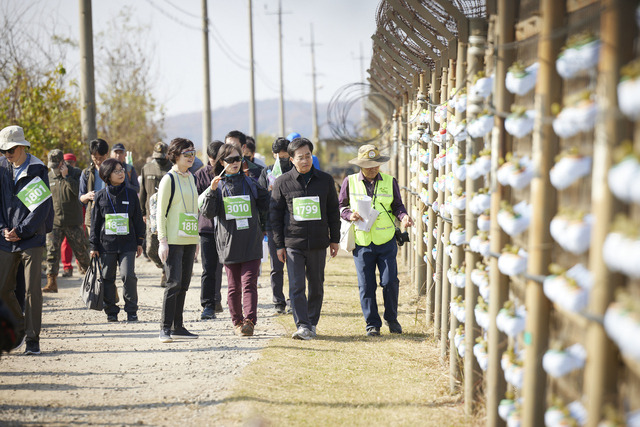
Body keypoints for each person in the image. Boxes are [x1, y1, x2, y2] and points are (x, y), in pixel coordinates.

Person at [338, 144, 414, 336]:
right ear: (361, 165)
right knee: (366, 285)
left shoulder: (390, 181)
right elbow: (340, 207)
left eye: (376, 164)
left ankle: (392, 318)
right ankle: (372, 324)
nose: (373, 168)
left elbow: (398, 205)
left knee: (390, 282)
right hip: (362, 241)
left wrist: (404, 216)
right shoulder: (350, 181)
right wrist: (349, 215)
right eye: (369, 165)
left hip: (386, 239)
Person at [270, 137, 340, 340]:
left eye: (308, 156)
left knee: (316, 285)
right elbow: (275, 215)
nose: (305, 161)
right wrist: (279, 245)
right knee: (296, 285)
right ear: (291, 159)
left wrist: (334, 239)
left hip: (318, 243)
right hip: (293, 243)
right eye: (300, 157)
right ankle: (302, 325)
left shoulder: (325, 180)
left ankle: (312, 322)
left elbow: (333, 212)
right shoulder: (282, 182)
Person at [200, 144, 269, 336]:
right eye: (230, 160)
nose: (235, 163)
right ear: (222, 162)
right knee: (233, 287)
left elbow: (267, 204)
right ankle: (237, 321)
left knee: (249, 284)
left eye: (238, 159)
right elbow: (208, 212)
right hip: (228, 245)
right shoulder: (217, 185)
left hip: (251, 242)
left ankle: (249, 322)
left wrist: (270, 189)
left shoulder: (250, 183)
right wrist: (212, 191)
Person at [0, 125, 53, 355]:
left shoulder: (37, 168)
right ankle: (21, 327)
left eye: (10, 150)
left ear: (22, 147)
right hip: (6, 236)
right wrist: (3, 228)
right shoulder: (1, 167)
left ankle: (32, 339)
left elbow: (41, 208)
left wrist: (21, 230)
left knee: (32, 289)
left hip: (32, 237)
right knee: (2, 289)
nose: (7, 155)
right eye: (4, 151)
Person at [89, 158, 145, 322]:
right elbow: (95, 223)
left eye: (122, 170)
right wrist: (93, 246)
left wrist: (139, 241)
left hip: (128, 244)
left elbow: (137, 220)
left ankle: (131, 310)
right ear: (107, 175)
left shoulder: (131, 194)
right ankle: (111, 311)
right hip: (107, 245)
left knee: (128, 276)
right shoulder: (100, 197)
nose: (121, 173)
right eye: (117, 171)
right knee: (107, 278)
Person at [157, 138, 200, 343]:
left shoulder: (191, 178)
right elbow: (160, 212)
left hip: (189, 238)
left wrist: (196, 240)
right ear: (175, 156)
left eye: (193, 153)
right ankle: (164, 328)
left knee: (183, 284)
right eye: (187, 154)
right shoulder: (169, 179)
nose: (191, 157)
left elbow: (193, 209)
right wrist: (162, 240)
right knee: (173, 283)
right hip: (173, 240)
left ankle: (178, 326)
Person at [43, 149, 91, 293]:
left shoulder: (76, 173)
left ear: (62, 163)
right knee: (52, 253)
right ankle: (52, 282)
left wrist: (66, 177)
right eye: (52, 166)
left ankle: (95, 279)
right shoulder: (48, 176)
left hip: (72, 222)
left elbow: (78, 194)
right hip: (54, 222)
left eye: (56, 166)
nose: (54, 169)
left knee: (82, 253)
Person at [257, 137, 293, 313]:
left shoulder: (296, 170)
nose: (283, 159)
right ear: (274, 155)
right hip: (272, 224)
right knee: (276, 266)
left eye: (286, 156)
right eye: (280, 156)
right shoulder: (267, 172)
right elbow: (260, 199)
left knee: (295, 265)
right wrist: (269, 193)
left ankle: (294, 299)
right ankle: (278, 300)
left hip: (294, 224)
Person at [194, 140, 225, 319]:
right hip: (207, 229)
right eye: (214, 159)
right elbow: (196, 202)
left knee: (231, 268)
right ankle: (208, 305)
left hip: (227, 228)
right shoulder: (199, 175)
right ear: (209, 158)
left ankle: (222, 300)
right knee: (208, 268)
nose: (216, 163)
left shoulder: (230, 173)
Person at [138, 141, 172, 287]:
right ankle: (163, 266)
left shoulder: (173, 168)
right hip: (152, 214)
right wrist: (142, 213)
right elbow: (143, 192)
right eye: (157, 157)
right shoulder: (147, 168)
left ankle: (169, 272)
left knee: (170, 245)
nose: (160, 160)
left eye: (162, 157)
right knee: (151, 249)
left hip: (170, 213)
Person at [79, 138, 110, 234]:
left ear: (106, 155)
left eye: (101, 158)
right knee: (94, 246)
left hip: (111, 216)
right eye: (95, 157)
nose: (98, 161)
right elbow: (81, 198)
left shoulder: (114, 171)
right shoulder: (86, 173)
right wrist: (87, 196)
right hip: (92, 217)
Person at [60, 152, 83, 277]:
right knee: (65, 243)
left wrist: (67, 177)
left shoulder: (78, 173)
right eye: (66, 162)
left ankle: (81, 264)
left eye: (71, 162)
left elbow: (77, 191)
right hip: (63, 215)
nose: (68, 164)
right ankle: (67, 267)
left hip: (77, 212)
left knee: (80, 240)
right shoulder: (57, 175)